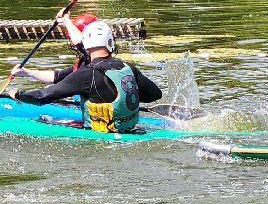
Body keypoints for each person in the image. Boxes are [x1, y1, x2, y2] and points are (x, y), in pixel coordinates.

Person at [10, 18, 161, 132]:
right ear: (110, 42)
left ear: (86, 44)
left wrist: (18, 95)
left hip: (103, 137)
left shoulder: (86, 74)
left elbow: (42, 96)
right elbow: (154, 94)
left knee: (41, 120)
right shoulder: (128, 67)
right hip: (132, 131)